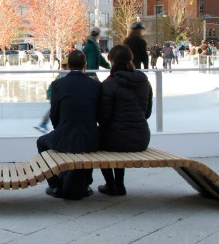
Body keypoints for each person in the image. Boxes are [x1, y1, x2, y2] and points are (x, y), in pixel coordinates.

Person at [36, 50, 101, 200]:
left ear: (68, 66)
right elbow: (99, 113)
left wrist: (60, 129)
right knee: (87, 147)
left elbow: (54, 113)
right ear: (85, 65)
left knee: (41, 143)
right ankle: (85, 184)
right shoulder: (95, 85)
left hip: (65, 136)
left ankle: (54, 184)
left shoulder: (58, 84)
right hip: (90, 138)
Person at [98, 45, 153, 196]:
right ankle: (120, 184)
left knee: (102, 138)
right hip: (141, 138)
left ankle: (111, 184)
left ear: (111, 61)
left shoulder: (109, 84)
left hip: (115, 140)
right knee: (116, 135)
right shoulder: (144, 82)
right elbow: (146, 114)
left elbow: (104, 118)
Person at [35, 60, 69, 133]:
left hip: (54, 94)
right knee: (55, 109)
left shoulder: (62, 73)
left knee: (55, 109)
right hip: (54, 94)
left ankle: (44, 124)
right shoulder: (64, 74)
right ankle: (44, 124)